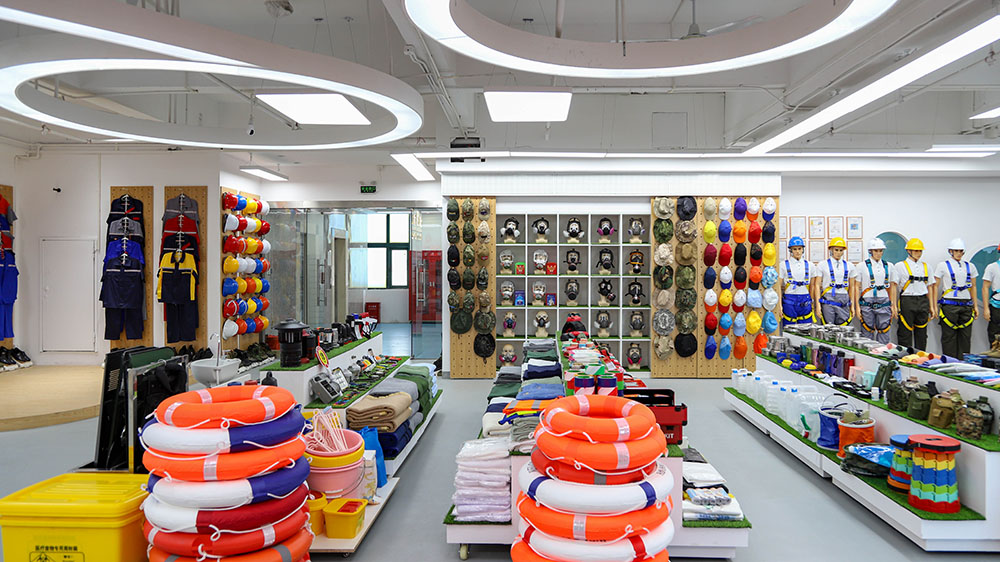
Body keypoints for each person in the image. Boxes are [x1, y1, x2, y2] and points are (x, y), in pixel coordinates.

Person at [934, 238, 978, 358]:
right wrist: (934, 306)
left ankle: (964, 362)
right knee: (948, 336)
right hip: (949, 304)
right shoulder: (942, 266)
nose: (959, 253)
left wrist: (975, 306)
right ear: (951, 251)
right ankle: (949, 362)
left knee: (966, 337)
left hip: (966, 305)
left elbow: (973, 286)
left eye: (961, 251)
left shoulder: (970, 266)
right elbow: (935, 286)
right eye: (956, 250)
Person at [892, 238, 935, 350]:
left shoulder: (927, 267)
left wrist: (932, 306)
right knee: (905, 333)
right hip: (907, 300)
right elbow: (894, 286)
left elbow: (930, 287)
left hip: (923, 300)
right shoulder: (900, 266)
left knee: (922, 334)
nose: (918, 253)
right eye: (916, 250)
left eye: (920, 251)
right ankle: (905, 357)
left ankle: (921, 357)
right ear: (909, 251)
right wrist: (894, 305)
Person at [853, 238, 895, 343]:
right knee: (867, 332)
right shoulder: (861, 266)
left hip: (884, 301)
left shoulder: (889, 266)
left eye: (881, 251)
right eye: (876, 250)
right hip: (867, 301)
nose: (878, 253)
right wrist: (857, 307)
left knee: (884, 331)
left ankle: (882, 352)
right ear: (870, 251)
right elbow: (856, 287)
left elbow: (892, 287)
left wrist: (893, 305)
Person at [814, 237, 857, 326]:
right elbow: (817, 285)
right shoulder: (822, 265)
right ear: (831, 250)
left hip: (844, 301)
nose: (838, 253)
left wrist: (852, 305)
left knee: (844, 328)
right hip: (828, 300)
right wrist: (817, 305)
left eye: (841, 250)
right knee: (828, 328)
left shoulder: (850, 266)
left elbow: (852, 287)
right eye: (836, 250)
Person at [778, 236, 817, 325]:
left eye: (799, 249)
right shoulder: (783, 265)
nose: (797, 251)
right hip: (789, 301)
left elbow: (812, 286)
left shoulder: (810, 265)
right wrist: (779, 305)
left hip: (805, 300)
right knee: (789, 328)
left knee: (806, 329)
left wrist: (812, 302)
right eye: (794, 249)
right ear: (790, 250)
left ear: (803, 249)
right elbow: (778, 286)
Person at [981, 243, 1000, 347]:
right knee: (994, 338)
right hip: (996, 307)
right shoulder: (992, 267)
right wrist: (986, 309)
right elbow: (985, 287)